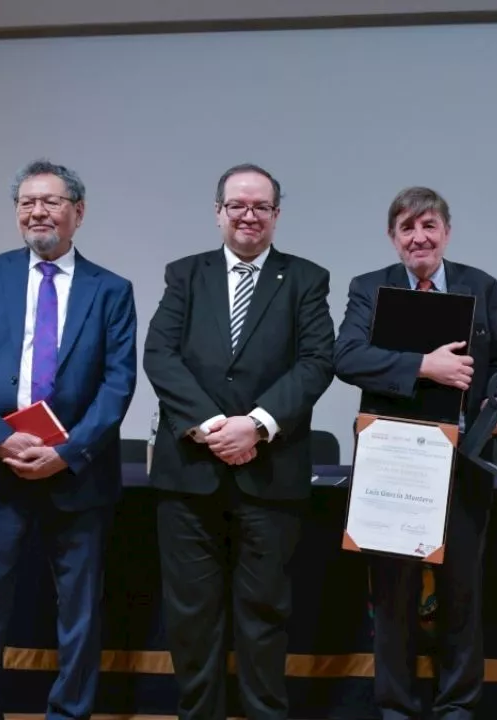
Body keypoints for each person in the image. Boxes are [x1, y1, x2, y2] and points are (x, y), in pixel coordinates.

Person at [0, 159, 138, 720]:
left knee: (80, 612)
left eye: (50, 201)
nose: (37, 211)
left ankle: (70, 713)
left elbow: (118, 382)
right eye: (26, 201)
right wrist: (1, 441)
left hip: (76, 474)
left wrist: (67, 452)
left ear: (77, 211)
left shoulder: (111, 290)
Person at [143, 163, 335, 720]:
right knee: (192, 619)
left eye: (260, 207)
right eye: (237, 205)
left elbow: (317, 360)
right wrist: (211, 427)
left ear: (276, 214)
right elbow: (160, 355)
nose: (248, 216)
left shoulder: (306, 278)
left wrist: (257, 423)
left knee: (263, 615)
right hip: (189, 476)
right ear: (218, 212)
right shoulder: (185, 275)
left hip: (270, 475)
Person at [334, 186, 497, 720]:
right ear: (393, 239)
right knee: (393, 592)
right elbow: (347, 357)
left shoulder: (481, 286)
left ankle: (458, 705)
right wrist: (423, 366)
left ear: (447, 233)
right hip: (396, 458)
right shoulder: (369, 288)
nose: (420, 237)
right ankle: (396, 706)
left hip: (464, 459)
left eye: (429, 225)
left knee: (462, 589)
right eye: (407, 228)